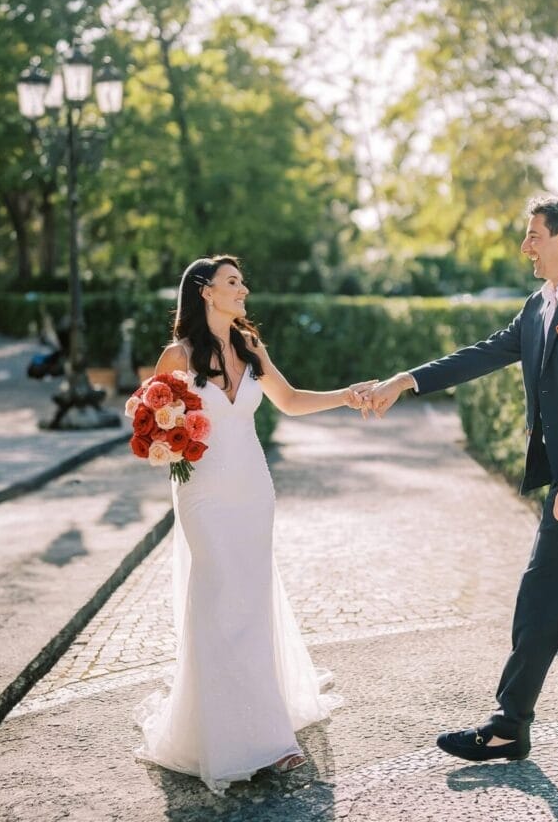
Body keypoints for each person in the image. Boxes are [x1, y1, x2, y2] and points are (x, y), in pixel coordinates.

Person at [365, 195, 558, 777]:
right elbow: (484, 354)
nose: (525, 246)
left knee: (542, 591)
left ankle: (509, 727)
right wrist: (407, 380)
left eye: (534, 235)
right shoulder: (539, 305)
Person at [134, 254, 373, 794]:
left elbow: (288, 401)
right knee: (218, 601)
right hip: (203, 494)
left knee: (252, 600)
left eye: (242, 281)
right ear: (204, 292)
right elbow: (149, 424)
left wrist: (345, 395)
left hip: (252, 490)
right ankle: (222, 738)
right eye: (233, 282)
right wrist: (170, 443)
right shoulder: (179, 355)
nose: (243, 289)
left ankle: (271, 735)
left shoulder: (249, 346)